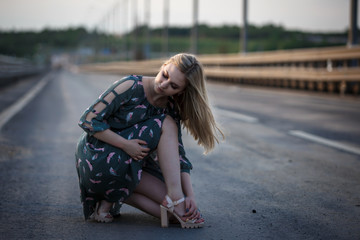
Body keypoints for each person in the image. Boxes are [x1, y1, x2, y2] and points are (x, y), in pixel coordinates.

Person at [75, 53, 224, 228]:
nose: (163, 84)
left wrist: (190, 195)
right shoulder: (130, 85)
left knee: (176, 215)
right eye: (165, 75)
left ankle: (110, 196)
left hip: (130, 162)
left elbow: (178, 155)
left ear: (181, 91)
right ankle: (174, 198)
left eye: (173, 86)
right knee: (165, 123)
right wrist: (126, 145)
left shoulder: (170, 107)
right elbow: (88, 120)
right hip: (98, 157)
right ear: (164, 65)